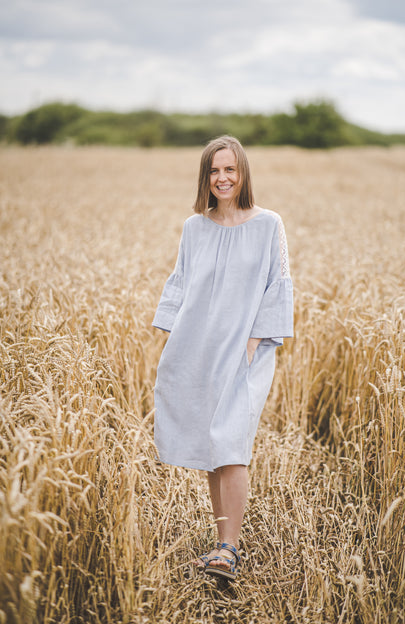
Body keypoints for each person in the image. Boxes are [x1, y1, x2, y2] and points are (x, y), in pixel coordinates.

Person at [152, 135, 293, 581]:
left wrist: (254, 342)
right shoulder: (195, 227)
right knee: (214, 447)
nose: (222, 178)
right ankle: (222, 542)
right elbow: (180, 282)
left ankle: (228, 550)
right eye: (214, 171)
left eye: (230, 169)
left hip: (247, 353)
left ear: (243, 172)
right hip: (198, 348)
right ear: (205, 177)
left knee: (231, 444)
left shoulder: (269, 224)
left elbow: (278, 283)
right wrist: (171, 335)